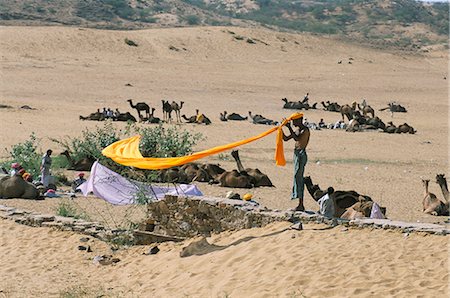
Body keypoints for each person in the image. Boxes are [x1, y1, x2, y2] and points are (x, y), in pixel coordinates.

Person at [282, 115, 310, 211]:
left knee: (299, 177)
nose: (293, 123)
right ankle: (300, 203)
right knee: (297, 177)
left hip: (301, 154)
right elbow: (285, 138)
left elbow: (296, 138)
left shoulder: (304, 130)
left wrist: (289, 127)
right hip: (297, 154)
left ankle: (301, 204)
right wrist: (280, 129)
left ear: (300, 120)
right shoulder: (298, 130)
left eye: (294, 121)